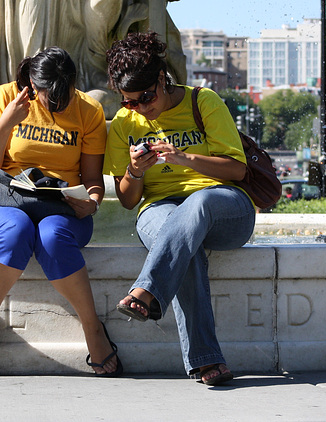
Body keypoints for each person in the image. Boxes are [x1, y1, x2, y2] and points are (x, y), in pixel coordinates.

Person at [103, 32, 255, 386]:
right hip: (159, 209)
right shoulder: (125, 124)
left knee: (197, 204)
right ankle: (207, 360)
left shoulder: (203, 101)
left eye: (146, 97)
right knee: (182, 241)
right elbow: (128, 200)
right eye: (129, 102)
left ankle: (147, 290)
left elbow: (238, 170)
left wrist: (183, 157)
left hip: (223, 206)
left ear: (161, 77)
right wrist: (135, 170)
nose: (139, 107)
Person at [0, 47, 122, 377]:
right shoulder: (7, 96)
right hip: (10, 204)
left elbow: (93, 181)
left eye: (65, 99)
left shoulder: (89, 110)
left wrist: (91, 201)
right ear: (34, 85)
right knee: (14, 231)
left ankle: (92, 328)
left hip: (63, 209)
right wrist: (7, 122)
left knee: (52, 236)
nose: (57, 106)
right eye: (51, 98)